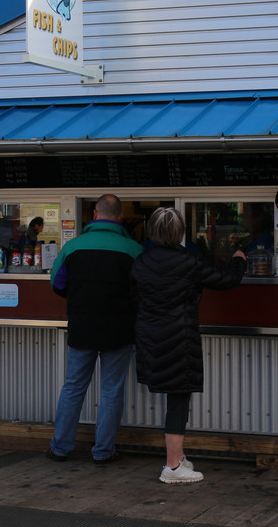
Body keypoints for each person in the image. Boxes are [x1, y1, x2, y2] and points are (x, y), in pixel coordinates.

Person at [130, 206, 246, 484]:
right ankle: (172, 467)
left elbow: (133, 298)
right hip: (179, 337)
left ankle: (179, 457)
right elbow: (226, 280)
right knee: (178, 398)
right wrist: (238, 259)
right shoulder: (190, 260)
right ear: (180, 232)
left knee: (175, 397)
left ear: (152, 231)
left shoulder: (140, 261)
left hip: (149, 336)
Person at [46, 194, 145, 464]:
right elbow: (143, 290)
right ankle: (103, 451)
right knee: (111, 390)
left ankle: (60, 448)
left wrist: (80, 299)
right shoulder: (134, 250)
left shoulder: (73, 247)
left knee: (73, 387)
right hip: (119, 330)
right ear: (120, 217)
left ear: (94, 215)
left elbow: (57, 283)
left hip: (83, 327)